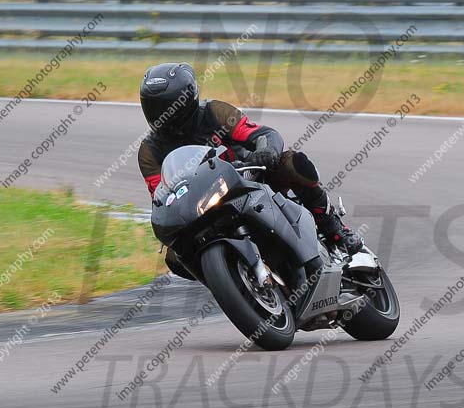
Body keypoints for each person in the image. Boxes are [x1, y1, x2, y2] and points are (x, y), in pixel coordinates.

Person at [137, 62, 363, 275]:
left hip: (249, 176)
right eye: (152, 106)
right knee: (175, 256)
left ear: (186, 99)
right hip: (202, 207)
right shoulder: (149, 150)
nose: (160, 113)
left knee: (293, 162)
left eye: (166, 106)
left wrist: (266, 151)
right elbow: (161, 195)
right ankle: (229, 279)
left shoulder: (214, 112)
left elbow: (262, 134)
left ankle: (334, 228)